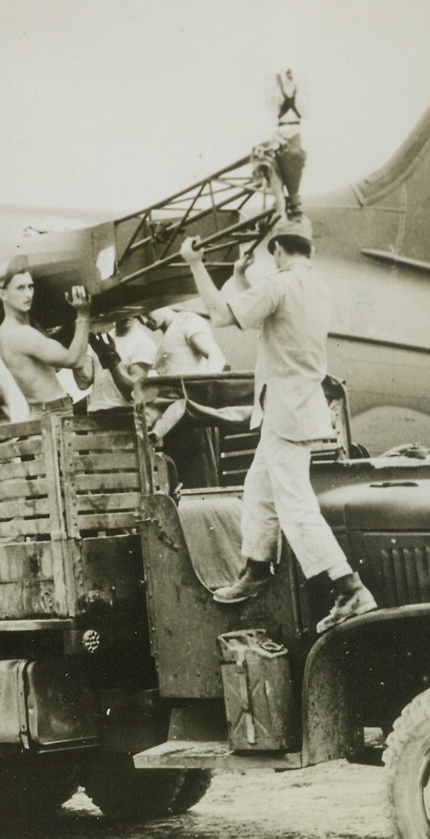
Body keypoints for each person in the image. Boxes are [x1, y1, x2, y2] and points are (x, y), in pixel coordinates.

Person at [179, 215, 376, 632]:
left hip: (285, 411)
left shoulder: (280, 285)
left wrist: (195, 264)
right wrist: (240, 278)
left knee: (295, 506)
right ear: (309, 250)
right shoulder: (315, 286)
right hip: (295, 407)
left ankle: (349, 588)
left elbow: (219, 314)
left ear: (278, 251)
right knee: (258, 489)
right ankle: (256, 567)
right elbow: (268, 312)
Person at [0, 254, 91, 418]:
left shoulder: (8, 330)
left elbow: (53, 362)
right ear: (3, 294)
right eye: (20, 288)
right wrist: (83, 313)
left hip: (45, 412)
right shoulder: (20, 334)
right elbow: (75, 360)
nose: (28, 294)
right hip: (53, 414)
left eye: (30, 287)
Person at [73, 316, 157, 412]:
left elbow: (133, 393)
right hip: (96, 410)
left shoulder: (145, 343)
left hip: (126, 412)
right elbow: (83, 384)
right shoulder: (101, 337)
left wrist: (111, 359)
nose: (127, 315)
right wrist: (75, 347)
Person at [148, 306, 226, 376]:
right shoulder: (167, 334)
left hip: (191, 387)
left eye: (145, 313)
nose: (144, 322)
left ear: (161, 304)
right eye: (140, 318)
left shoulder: (187, 321)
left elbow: (216, 356)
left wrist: (207, 384)